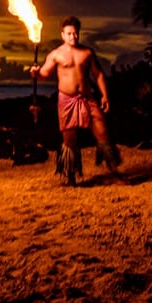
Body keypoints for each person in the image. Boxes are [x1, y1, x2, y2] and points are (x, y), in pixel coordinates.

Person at [30, 16, 125, 186]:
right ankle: (71, 177)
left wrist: (105, 95)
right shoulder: (56, 54)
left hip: (87, 98)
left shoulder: (87, 53)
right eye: (69, 34)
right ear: (62, 35)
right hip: (66, 100)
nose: (73, 37)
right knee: (70, 140)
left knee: (102, 133)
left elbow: (98, 75)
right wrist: (36, 73)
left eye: (75, 33)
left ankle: (113, 172)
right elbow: (43, 75)